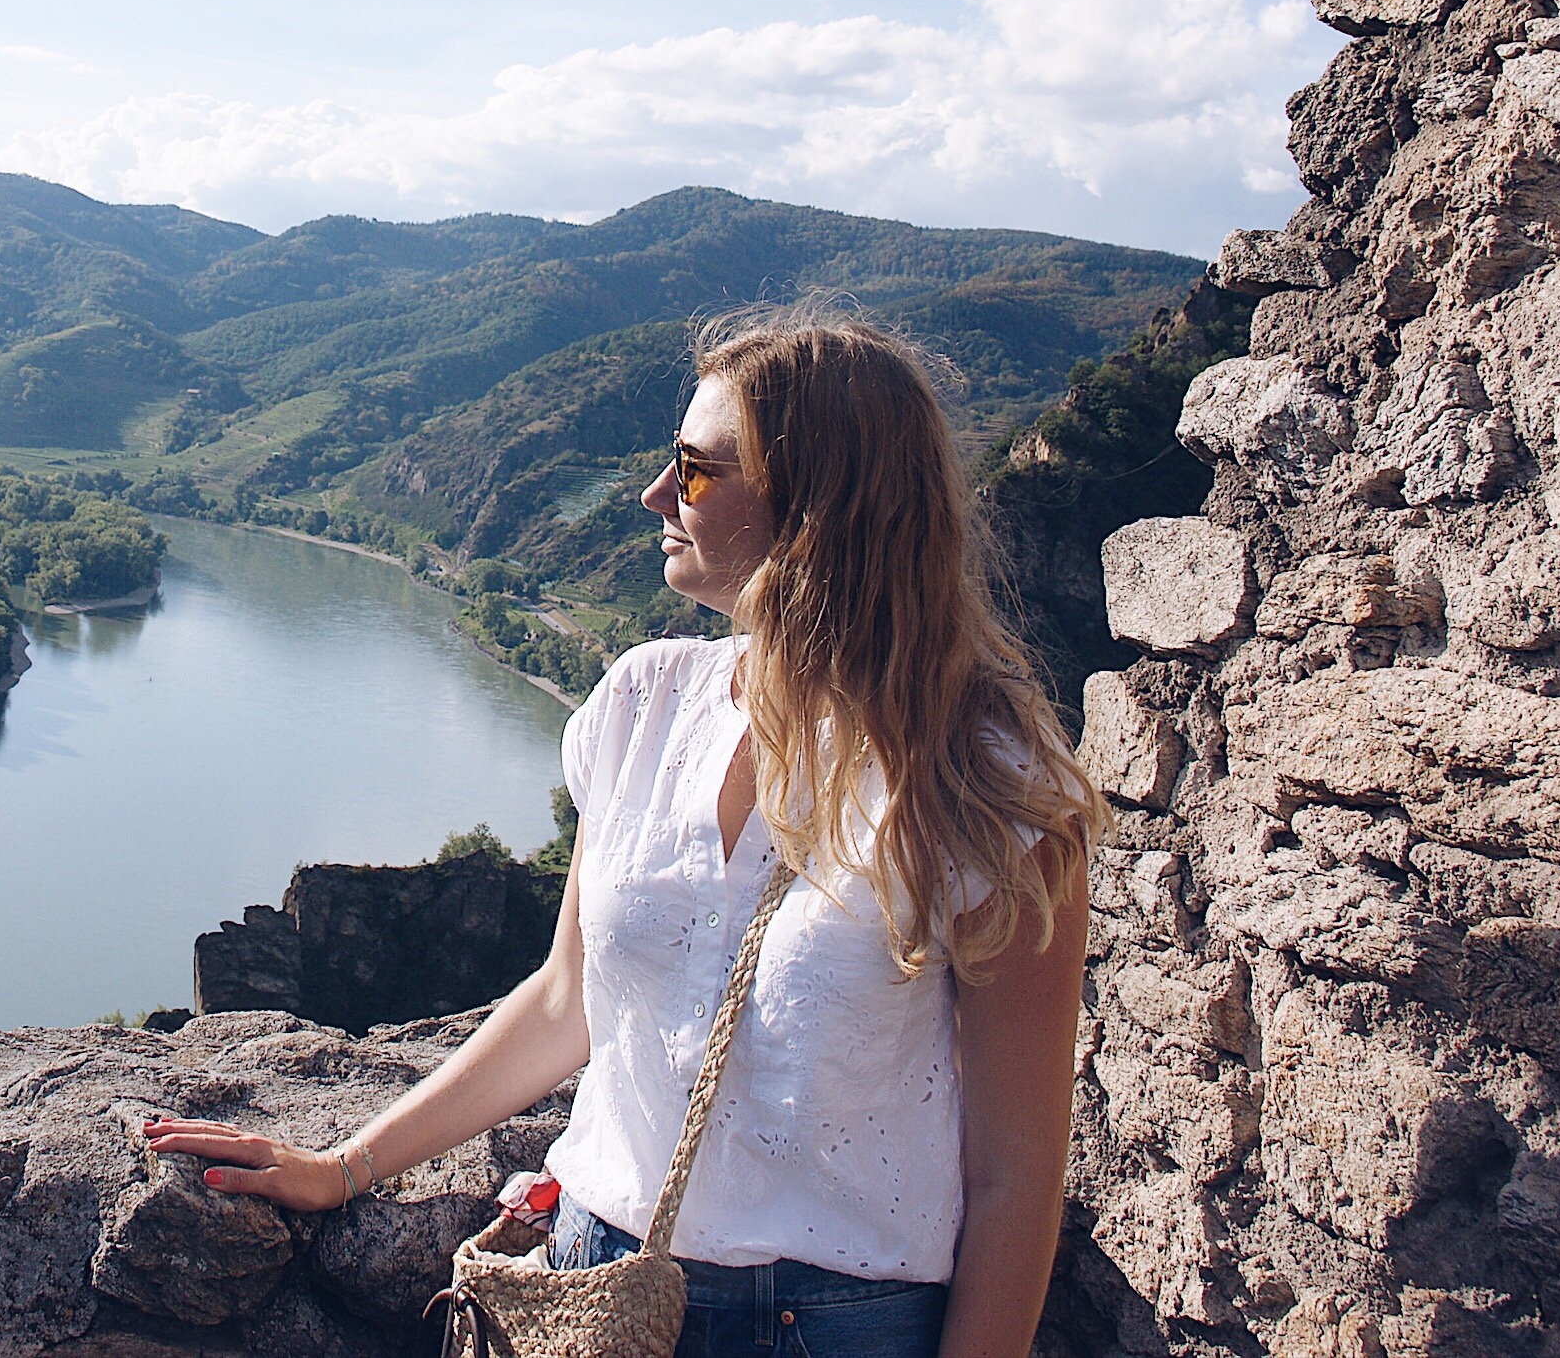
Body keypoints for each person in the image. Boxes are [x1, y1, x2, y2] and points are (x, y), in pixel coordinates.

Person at [144, 312, 1103, 1358]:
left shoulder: (991, 789)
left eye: (694, 471)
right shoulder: (642, 705)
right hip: (593, 1284)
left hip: (837, 1324)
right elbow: (566, 1003)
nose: (654, 495)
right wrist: (345, 1165)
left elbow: (1014, 1178)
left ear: (817, 507)